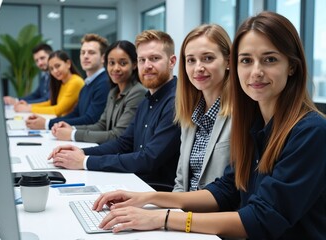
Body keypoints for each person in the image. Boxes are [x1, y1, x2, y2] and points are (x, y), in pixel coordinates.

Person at [92, 11, 326, 239]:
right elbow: (226, 188)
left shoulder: (310, 131)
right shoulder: (255, 124)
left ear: (292, 66)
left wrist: (162, 218)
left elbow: (262, 218)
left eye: (270, 59)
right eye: (246, 60)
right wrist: (146, 198)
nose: (256, 72)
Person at [49, 30, 181, 187]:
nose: (147, 66)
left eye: (154, 58)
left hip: (154, 191)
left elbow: (148, 159)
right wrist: (80, 152)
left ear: (172, 61)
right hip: (134, 181)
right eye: (142, 60)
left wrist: (85, 161)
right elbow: (124, 143)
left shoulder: (176, 101)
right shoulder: (147, 100)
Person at [51, 40, 146, 143]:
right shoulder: (113, 92)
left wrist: (72, 134)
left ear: (134, 65)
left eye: (123, 63)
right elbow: (102, 125)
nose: (116, 68)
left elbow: (118, 135)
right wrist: (71, 128)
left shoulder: (138, 92)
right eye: (111, 63)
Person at [173, 24, 232, 192]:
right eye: (191, 60)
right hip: (184, 212)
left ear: (228, 61)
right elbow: (180, 182)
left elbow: (234, 192)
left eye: (208, 58)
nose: (198, 68)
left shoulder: (241, 114)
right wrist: (171, 212)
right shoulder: (190, 116)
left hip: (214, 216)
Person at [25, 33, 110, 130]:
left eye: (91, 52)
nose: (85, 56)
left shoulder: (104, 83)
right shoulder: (87, 85)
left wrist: (47, 124)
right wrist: (49, 122)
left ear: (103, 58)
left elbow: (90, 120)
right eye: (82, 52)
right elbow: (75, 113)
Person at [14, 50, 84, 116]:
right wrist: (28, 105)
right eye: (51, 69)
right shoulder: (63, 82)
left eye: (57, 66)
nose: (55, 71)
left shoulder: (75, 82)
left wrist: (28, 109)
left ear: (68, 64)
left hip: (70, 125)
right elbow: (52, 103)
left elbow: (57, 110)